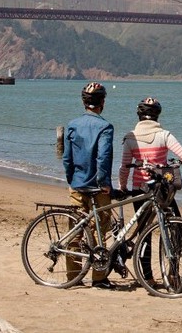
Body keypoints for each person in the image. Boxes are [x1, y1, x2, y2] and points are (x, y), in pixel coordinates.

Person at [62, 81, 115, 289]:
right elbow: (103, 157)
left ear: (84, 102)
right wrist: (104, 183)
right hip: (97, 187)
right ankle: (99, 277)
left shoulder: (73, 125)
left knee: (75, 229)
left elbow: (67, 158)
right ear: (103, 102)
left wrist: (71, 179)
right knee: (100, 230)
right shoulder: (105, 127)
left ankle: (73, 275)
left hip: (77, 184)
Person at [118, 97, 182, 216]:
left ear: (139, 115)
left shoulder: (130, 138)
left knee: (143, 225)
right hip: (161, 187)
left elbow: (125, 168)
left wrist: (122, 187)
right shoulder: (164, 135)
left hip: (139, 188)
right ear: (157, 115)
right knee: (174, 223)